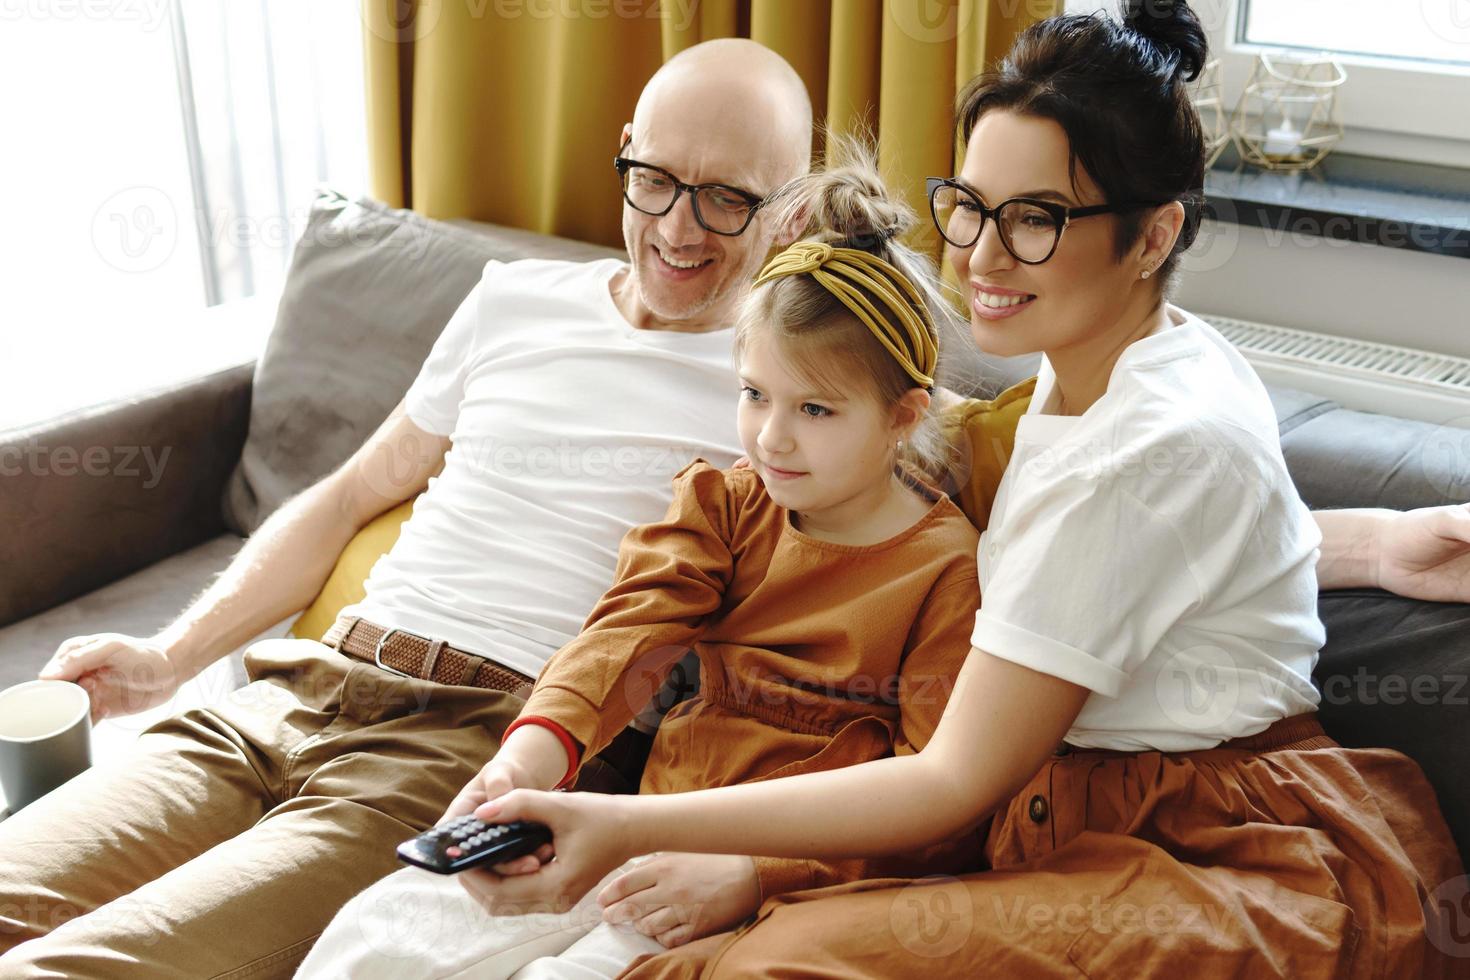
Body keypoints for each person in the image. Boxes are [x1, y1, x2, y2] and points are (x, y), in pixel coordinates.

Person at [453, 6, 1469, 978]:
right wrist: (1371, 546)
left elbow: (952, 778)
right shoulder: (1100, 371)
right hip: (1088, 812)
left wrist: (619, 820)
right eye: (972, 205)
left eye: (1034, 219)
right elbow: (1171, 551)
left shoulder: (1151, 433)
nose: (979, 254)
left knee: (773, 957)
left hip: (1223, 853)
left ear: (1155, 235)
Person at [0, 38, 813, 979]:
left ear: (790, 212)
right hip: (290, 695)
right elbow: (352, 493)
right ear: (624, 152)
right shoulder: (512, 301)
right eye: (657, 180)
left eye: (727, 197)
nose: (679, 228)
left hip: (468, 751)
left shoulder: (789, 397)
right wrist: (170, 657)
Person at [298, 139, 994, 980]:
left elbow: (935, 803)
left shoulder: (947, 570)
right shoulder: (729, 503)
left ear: (902, 415)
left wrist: (752, 873)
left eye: (814, 408)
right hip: (641, 825)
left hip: (783, 882)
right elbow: (623, 634)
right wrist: (528, 756)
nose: (771, 437)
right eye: (753, 395)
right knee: (373, 939)